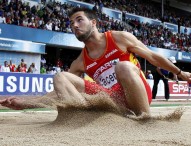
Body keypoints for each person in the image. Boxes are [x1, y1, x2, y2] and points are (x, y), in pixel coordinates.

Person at [0, 8, 191, 116]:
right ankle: (80, 119)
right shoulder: (81, 60)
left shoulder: (119, 38)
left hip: (137, 93)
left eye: (79, 20)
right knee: (60, 77)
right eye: (71, 24)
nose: (74, 25)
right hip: (112, 100)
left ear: (93, 23)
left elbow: (152, 57)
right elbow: (59, 92)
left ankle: (144, 118)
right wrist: (25, 102)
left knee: (123, 66)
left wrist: (181, 74)